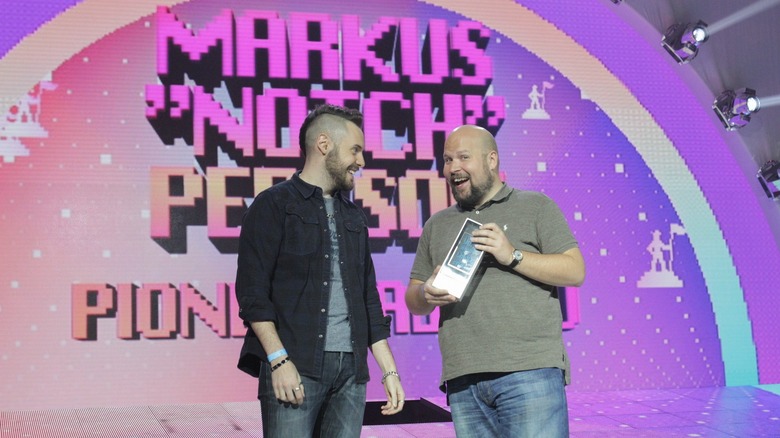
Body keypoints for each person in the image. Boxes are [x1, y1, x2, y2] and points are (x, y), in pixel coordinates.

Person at [236, 104, 405, 438]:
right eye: (355, 150)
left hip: (351, 374)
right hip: (296, 364)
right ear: (324, 145)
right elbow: (253, 294)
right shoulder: (273, 205)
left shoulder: (354, 217)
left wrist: (389, 371)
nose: (361, 162)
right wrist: (278, 361)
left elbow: (368, 298)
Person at [405, 125, 585, 437]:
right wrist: (425, 293)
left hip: (528, 371)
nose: (453, 168)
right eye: (447, 160)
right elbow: (413, 299)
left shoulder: (535, 206)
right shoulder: (438, 224)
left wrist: (513, 255)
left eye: (463, 157)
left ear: (492, 160)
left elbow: (574, 270)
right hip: (464, 378)